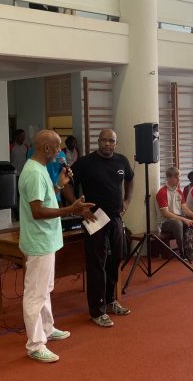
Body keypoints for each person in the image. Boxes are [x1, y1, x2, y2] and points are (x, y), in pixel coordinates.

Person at [18, 130, 93, 363]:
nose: (61, 152)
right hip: (39, 241)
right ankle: (35, 345)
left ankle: (47, 328)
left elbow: (46, 197)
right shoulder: (33, 173)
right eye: (58, 147)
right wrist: (71, 209)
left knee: (45, 288)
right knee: (35, 294)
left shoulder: (41, 169)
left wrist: (59, 185)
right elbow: (37, 211)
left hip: (46, 239)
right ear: (46, 148)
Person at [66, 129, 133, 328]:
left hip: (115, 217)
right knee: (97, 263)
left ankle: (111, 301)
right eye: (103, 140)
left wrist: (127, 200)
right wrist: (77, 208)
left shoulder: (121, 161)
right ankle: (97, 310)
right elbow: (66, 183)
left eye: (111, 141)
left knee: (116, 258)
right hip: (94, 218)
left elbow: (130, 179)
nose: (107, 144)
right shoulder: (85, 163)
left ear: (115, 143)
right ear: (98, 141)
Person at [156, 166, 193, 258]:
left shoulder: (179, 191)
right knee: (178, 223)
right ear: (169, 178)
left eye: (179, 176)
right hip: (166, 222)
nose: (178, 179)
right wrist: (184, 219)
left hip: (179, 218)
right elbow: (166, 213)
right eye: (176, 177)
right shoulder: (162, 192)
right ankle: (182, 252)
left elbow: (185, 208)